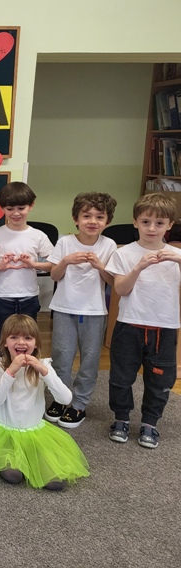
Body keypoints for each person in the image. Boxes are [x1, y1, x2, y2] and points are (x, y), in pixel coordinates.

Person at [105, 192, 181, 449]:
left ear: (170, 225)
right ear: (135, 222)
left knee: (160, 380)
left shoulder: (176, 255)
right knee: (121, 376)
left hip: (164, 328)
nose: (152, 228)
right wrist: (138, 267)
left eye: (159, 223)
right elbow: (121, 289)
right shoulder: (124, 254)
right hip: (129, 325)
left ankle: (150, 423)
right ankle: (121, 418)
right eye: (146, 222)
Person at [0, 315, 89, 490]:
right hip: (4, 432)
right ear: (5, 342)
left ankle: (31, 460)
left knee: (55, 483)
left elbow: (65, 399)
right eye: (14, 337)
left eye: (28, 338)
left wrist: (44, 372)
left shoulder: (43, 365)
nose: (21, 342)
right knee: (13, 475)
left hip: (34, 431)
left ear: (36, 343)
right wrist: (11, 371)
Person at [0, 181, 54, 408]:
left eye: (21, 208)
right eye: (10, 209)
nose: (16, 213)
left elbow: (53, 263)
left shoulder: (37, 235)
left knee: (28, 343)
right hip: (1, 298)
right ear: (2, 208)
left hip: (28, 298)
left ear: (31, 206)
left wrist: (35, 264)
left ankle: (25, 385)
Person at [44, 192, 117, 429]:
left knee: (90, 359)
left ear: (107, 221)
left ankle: (79, 404)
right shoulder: (65, 242)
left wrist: (100, 266)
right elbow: (54, 275)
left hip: (94, 311)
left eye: (99, 217)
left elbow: (111, 281)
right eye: (86, 216)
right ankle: (61, 398)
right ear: (76, 219)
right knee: (61, 357)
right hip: (64, 308)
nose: (92, 221)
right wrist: (66, 261)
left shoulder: (109, 245)